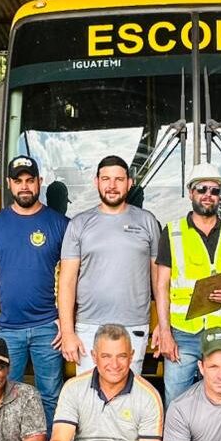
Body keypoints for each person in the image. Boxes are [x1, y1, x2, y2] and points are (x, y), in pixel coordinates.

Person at [0, 156, 68, 429]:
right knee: (5, 395)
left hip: (48, 328)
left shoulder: (60, 224)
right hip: (6, 328)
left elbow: (71, 279)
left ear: (40, 182)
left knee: (50, 395)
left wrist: (66, 320)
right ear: (9, 184)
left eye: (30, 180)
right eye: (18, 181)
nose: (25, 186)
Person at [154, 163, 221, 405]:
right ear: (191, 193)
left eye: (214, 190)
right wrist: (165, 332)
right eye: (201, 189)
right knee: (176, 402)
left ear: (220, 196)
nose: (208, 194)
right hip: (183, 333)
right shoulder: (173, 232)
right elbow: (161, 285)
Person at [58, 155, 160, 375]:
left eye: (119, 179)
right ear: (96, 182)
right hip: (88, 327)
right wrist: (68, 333)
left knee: (128, 398)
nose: (112, 186)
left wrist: (163, 323)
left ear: (129, 183)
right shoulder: (79, 224)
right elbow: (66, 283)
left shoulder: (147, 221)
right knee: (88, 396)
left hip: (134, 326)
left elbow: (159, 280)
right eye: (106, 179)